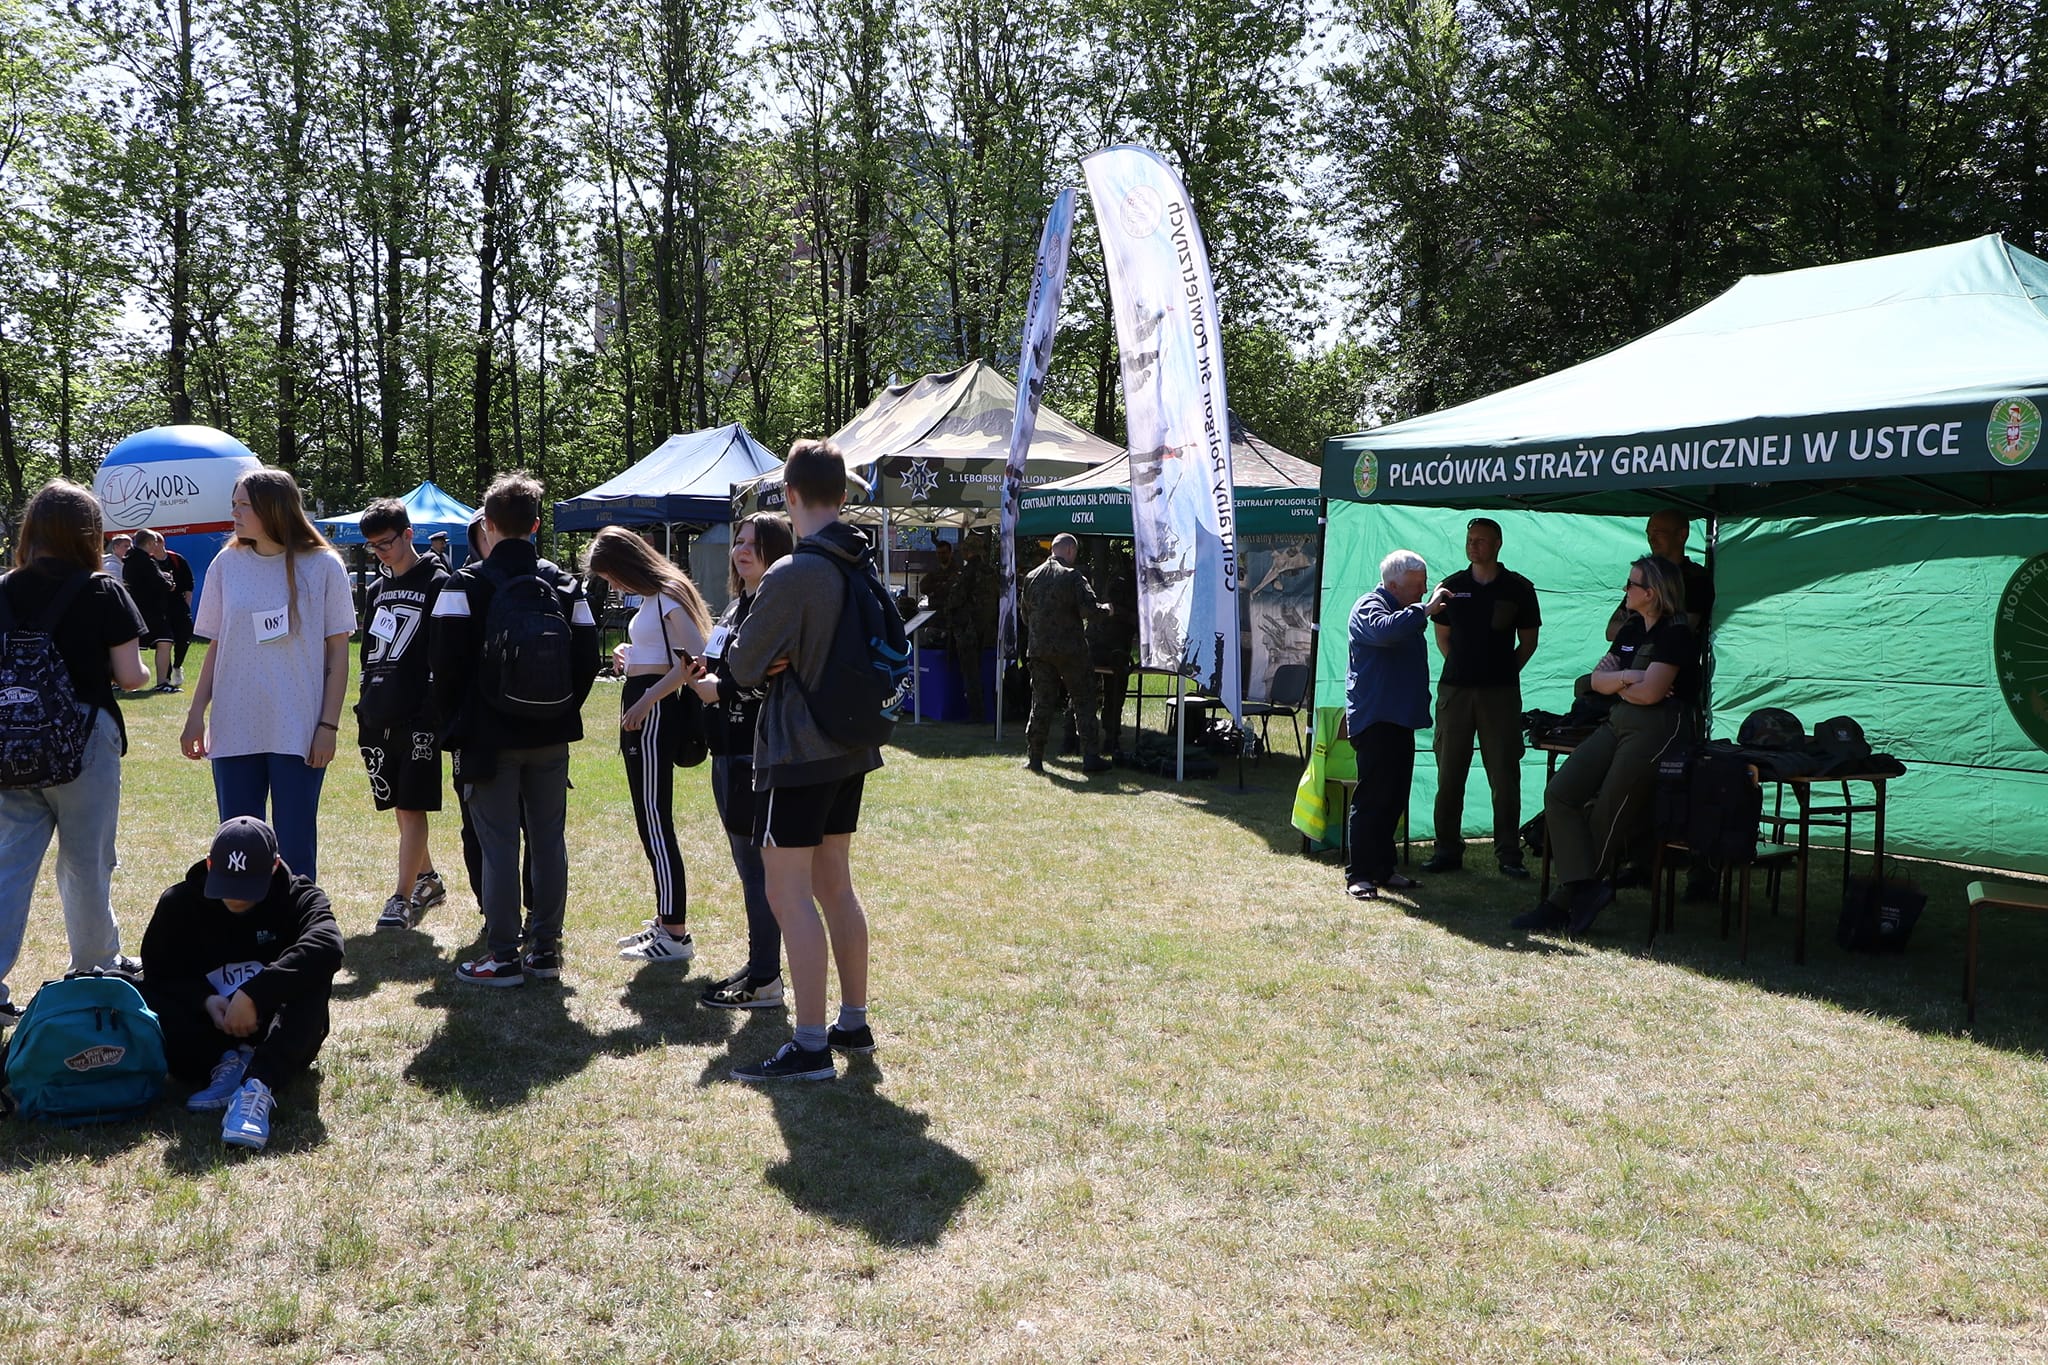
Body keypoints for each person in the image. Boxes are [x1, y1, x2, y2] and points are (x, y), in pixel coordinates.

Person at [721, 438, 880, 1081]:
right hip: (850, 746)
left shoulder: (792, 572)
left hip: (796, 751)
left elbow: (740, 665)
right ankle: (852, 1022)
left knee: (787, 893)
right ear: (842, 495)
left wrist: (768, 658)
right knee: (835, 885)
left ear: (789, 496)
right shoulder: (860, 559)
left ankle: (811, 1045)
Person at [430, 472, 599, 987]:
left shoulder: (463, 584)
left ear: (487, 524)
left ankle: (502, 955)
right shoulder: (565, 584)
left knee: (499, 844)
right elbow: (588, 660)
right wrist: (559, 709)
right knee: (548, 841)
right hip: (551, 735)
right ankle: (545, 951)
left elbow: (443, 667)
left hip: (488, 739)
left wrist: (459, 725)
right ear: (536, 525)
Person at [0, 481, 150, 1025]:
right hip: (82, 738)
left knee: (9, 863)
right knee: (86, 861)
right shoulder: (102, 589)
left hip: (11, 741)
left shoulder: (3, 589)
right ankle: (95, 968)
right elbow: (131, 676)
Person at [181, 468, 355, 884]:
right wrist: (195, 714)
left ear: (274, 509)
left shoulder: (323, 566)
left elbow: (339, 652)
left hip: (298, 727)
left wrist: (328, 726)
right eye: (234, 504)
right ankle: (243, 921)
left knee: (295, 846)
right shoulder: (227, 564)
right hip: (235, 725)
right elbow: (218, 645)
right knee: (238, 846)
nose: (234, 513)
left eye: (244, 505)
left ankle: (297, 920)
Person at [1519, 555, 1699, 936]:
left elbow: (1651, 695)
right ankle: (1585, 890)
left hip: (1657, 728)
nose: (1625, 590)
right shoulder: (1631, 628)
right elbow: (1596, 682)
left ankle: (1563, 902)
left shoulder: (1677, 635)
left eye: (1632, 584)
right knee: (1560, 793)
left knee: (1608, 811)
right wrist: (1631, 677)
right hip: (1618, 720)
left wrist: (1620, 681)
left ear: (1651, 594)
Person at [139, 816, 342, 1151]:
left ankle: (257, 1084)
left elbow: (329, 945)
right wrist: (204, 1000)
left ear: (274, 867)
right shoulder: (179, 902)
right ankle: (223, 1064)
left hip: (277, 1032)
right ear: (209, 865)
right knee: (142, 992)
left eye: (248, 887)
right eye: (227, 884)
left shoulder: (299, 896)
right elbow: (160, 972)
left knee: (314, 974)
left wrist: (254, 994)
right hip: (205, 1032)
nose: (236, 897)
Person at [585, 525, 714, 965]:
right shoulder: (652, 597)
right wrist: (628, 652)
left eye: (610, 576)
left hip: (655, 711)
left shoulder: (667, 594)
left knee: (656, 820)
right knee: (648, 819)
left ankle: (675, 931)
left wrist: (647, 699)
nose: (612, 585)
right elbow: (661, 652)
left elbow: (696, 660)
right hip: (643, 703)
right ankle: (665, 919)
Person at [689, 511, 796, 1008]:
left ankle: (766, 978)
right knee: (748, 867)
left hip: (756, 753)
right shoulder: (737, 608)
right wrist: (702, 674)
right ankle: (760, 964)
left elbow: (766, 679)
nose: (742, 550)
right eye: (739, 541)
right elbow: (727, 668)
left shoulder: (773, 609)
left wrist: (722, 687)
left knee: (759, 872)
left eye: (755, 543)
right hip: (725, 750)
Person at [1421, 518, 1541, 879]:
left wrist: (1501, 672)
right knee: (1449, 774)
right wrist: (1466, 669)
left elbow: (1529, 642)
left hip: (1500, 695)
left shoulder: (1518, 588)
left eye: (1481, 540)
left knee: (1504, 777)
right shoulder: (1452, 587)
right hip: (1455, 692)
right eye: (1470, 540)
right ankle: (1446, 850)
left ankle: (1509, 854)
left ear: (1498, 544)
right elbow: (1443, 639)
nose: (1473, 546)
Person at [355, 498, 451, 931]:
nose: (380, 552)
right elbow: (369, 653)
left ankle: (400, 899)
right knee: (397, 802)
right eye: (372, 546)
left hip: (419, 715)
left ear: (408, 534)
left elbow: (445, 652)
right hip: (378, 710)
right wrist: (365, 701)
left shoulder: (438, 581)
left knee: (412, 806)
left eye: (386, 543)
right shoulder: (376, 589)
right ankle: (428, 879)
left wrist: (433, 706)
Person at [1345, 550, 1453, 900]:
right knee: (1372, 798)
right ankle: (1359, 875)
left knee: (1393, 798)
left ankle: (1383, 869)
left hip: (1400, 719)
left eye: (1424, 585)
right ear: (1393, 585)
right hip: (1376, 718)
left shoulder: (1405, 611)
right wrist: (1425, 610)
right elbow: (1384, 632)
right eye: (1417, 585)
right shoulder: (1369, 607)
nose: (1422, 591)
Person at [1021, 533, 1113, 775]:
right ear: (1070, 551)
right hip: (1071, 651)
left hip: (1039, 650)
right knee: (1084, 700)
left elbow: (1025, 616)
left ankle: (1035, 758)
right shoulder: (1073, 576)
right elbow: (1089, 610)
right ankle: (1090, 757)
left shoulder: (1031, 577)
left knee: (1041, 703)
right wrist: (1107, 610)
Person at [1607, 508, 1714, 642]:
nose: (1651, 539)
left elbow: (1679, 633)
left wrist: (1634, 626)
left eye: (1658, 533)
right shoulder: (1647, 575)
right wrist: (1653, 626)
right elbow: (1611, 631)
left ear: (1682, 535)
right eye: (1649, 534)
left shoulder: (1696, 579)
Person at [1087, 541, 1138, 757]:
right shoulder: (1121, 580)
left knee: (1114, 694)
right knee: (1095, 692)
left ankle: (1110, 737)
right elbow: (1112, 609)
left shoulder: (1127, 578)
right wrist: (1135, 618)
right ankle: (1082, 736)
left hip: (1114, 644)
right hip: (1106, 643)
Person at [942, 535, 997, 723]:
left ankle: (976, 714)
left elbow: (955, 600)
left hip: (968, 630)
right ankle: (988, 711)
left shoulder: (967, 573)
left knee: (970, 673)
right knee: (984, 673)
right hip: (988, 629)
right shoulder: (991, 572)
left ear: (967, 551)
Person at [122, 528, 179, 691]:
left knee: (133, 647)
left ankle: (121, 682)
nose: (156, 545)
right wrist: (169, 584)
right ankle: (162, 683)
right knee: (165, 641)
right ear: (148, 543)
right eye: (154, 542)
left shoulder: (129, 559)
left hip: (135, 609)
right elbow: (158, 583)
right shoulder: (145, 561)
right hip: (152, 610)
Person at [154, 536, 195, 689]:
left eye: (155, 543)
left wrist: (187, 605)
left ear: (162, 543)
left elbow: (188, 584)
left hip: (179, 605)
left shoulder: (176, 559)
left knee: (183, 638)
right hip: (160, 607)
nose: (153, 547)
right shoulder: (149, 561)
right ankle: (165, 677)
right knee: (165, 641)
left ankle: (178, 666)